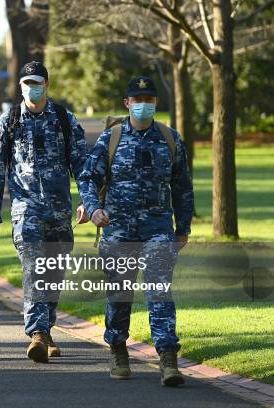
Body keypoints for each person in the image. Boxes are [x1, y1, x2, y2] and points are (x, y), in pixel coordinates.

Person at [77, 76, 194, 386]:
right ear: (126, 103)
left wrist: (183, 228)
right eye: (137, 98)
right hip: (118, 231)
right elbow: (88, 177)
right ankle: (117, 348)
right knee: (120, 293)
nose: (144, 103)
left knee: (159, 291)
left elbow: (182, 186)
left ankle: (168, 359)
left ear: (156, 103)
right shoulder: (111, 138)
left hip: (158, 229)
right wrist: (93, 208)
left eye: (149, 99)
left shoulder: (170, 139)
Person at [0, 61, 89, 363]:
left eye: (37, 81)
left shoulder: (65, 120)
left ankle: (47, 329)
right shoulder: (9, 121)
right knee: (33, 267)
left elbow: (82, 165)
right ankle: (38, 333)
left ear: (47, 84)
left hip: (59, 210)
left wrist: (88, 201)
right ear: (21, 86)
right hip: (24, 208)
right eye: (27, 82)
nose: (32, 87)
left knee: (53, 274)